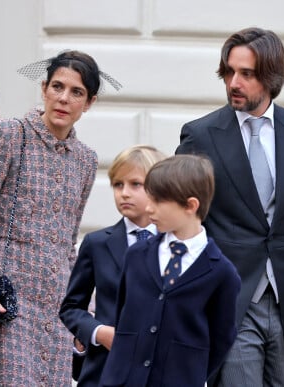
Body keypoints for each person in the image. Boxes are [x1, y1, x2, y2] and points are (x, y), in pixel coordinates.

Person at [175, 27, 284, 387]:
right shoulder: (200, 134)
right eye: (229, 72)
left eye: (246, 74)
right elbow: (179, 218)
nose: (234, 82)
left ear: (271, 77)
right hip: (229, 301)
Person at [0, 50, 116, 385]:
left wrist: (84, 311)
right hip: (4, 304)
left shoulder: (86, 160)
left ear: (89, 102)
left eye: (76, 92)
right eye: (57, 87)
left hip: (56, 314)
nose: (64, 98)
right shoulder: (6, 133)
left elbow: (68, 244)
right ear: (43, 89)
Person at [99, 154, 241, 387]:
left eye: (157, 201)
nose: (148, 207)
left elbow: (222, 339)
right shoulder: (136, 256)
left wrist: (189, 374)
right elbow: (123, 318)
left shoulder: (222, 274)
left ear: (190, 205)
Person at [59, 144, 167, 386]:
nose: (124, 193)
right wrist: (99, 333)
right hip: (105, 372)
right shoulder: (96, 244)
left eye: (135, 184)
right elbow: (71, 308)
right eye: (118, 185)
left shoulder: (176, 242)